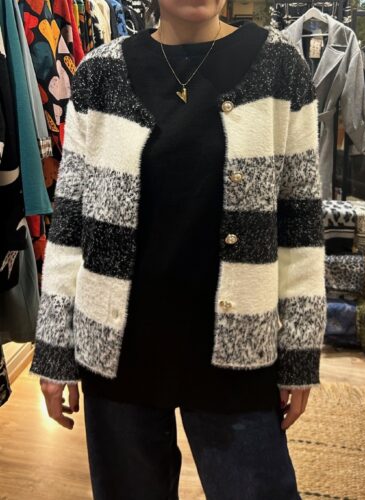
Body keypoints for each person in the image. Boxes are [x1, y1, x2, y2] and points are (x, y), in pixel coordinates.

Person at [30, 0, 326, 497]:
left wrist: (300, 351)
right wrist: (55, 350)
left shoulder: (280, 67)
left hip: (238, 351)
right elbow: (71, 223)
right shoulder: (100, 72)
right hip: (118, 353)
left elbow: (299, 222)